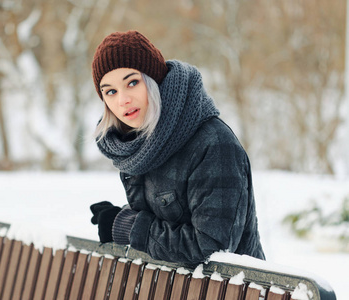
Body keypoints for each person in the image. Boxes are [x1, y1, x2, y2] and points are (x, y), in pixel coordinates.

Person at [89, 30, 265, 266]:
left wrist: (128, 226)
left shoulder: (213, 143)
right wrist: (120, 218)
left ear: (154, 81)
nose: (123, 100)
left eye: (132, 82)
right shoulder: (139, 146)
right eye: (110, 91)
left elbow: (213, 248)